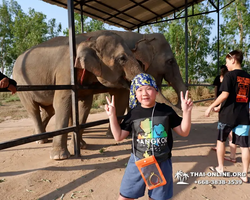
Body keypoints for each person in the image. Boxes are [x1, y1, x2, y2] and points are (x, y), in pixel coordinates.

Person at [105, 73, 193, 200]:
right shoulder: (133, 114)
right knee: (125, 197)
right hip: (137, 162)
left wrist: (187, 112)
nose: (144, 93)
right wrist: (112, 116)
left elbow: (184, 132)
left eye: (149, 88)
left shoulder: (166, 111)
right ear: (135, 94)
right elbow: (118, 136)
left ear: (156, 91)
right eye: (140, 90)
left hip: (162, 162)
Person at [205, 50, 250, 183]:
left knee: (221, 141)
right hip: (243, 117)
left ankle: (220, 168)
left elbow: (224, 95)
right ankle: (244, 174)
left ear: (233, 60)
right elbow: (243, 98)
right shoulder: (248, 77)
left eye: (227, 62)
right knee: (245, 146)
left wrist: (210, 106)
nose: (226, 65)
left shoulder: (229, 76)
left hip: (227, 116)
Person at [212, 65, 229, 152]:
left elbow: (225, 94)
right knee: (222, 124)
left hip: (224, 101)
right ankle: (219, 145)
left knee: (224, 126)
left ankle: (222, 146)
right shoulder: (219, 78)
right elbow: (216, 88)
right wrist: (216, 97)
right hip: (220, 100)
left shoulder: (228, 79)